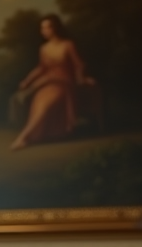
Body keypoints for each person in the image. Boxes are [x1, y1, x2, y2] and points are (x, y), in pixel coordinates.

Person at [9, 14, 96, 150]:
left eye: (47, 27)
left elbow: (79, 65)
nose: (44, 31)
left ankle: (22, 138)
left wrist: (82, 79)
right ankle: (32, 136)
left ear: (55, 28)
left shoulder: (67, 45)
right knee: (39, 104)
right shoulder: (43, 49)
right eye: (42, 28)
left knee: (47, 105)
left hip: (63, 83)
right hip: (46, 83)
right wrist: (27, 80)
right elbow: (41, 68)